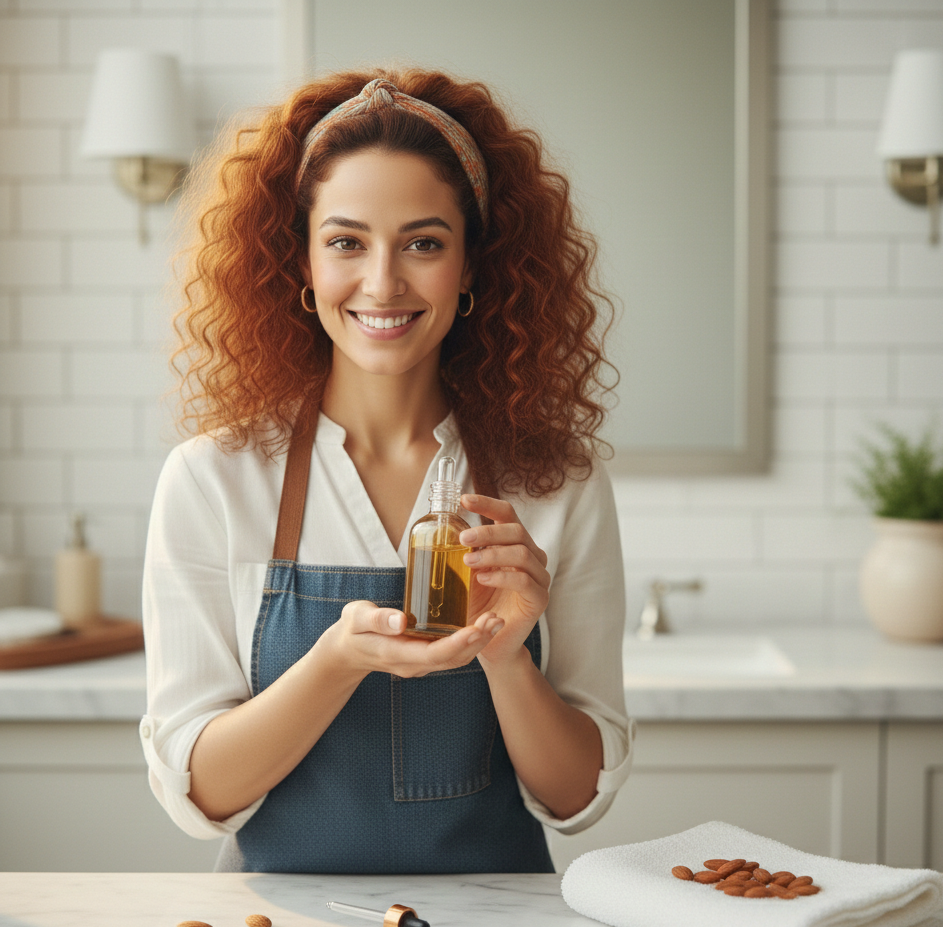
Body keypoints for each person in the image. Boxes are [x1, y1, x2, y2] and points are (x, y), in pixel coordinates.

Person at [141, 68, 633, 874]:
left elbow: (578, 800)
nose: (382, 282)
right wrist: (339, 660)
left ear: (473, 264)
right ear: (299, 260)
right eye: (345, 241)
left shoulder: (557, 486)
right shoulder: (212, 480)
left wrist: (508, 653)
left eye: (424, 242)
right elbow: (199, 794)